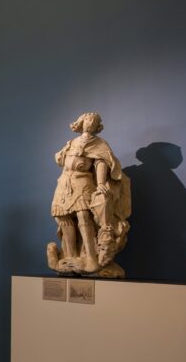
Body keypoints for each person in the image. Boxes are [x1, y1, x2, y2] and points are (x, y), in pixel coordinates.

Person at [48, 112, 130, 276]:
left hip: (83, 181)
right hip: (65, 182)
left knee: (84, 215)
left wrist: (100, 184)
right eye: (87, 120)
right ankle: (70, 257)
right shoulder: (72, 142)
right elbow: (60, 160)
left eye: (94, 121)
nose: (90, 123)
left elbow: (101, 163)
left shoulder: (99, 144)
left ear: (97, 127)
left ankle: (91, 258)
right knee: (63, 217)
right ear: (81, 123)